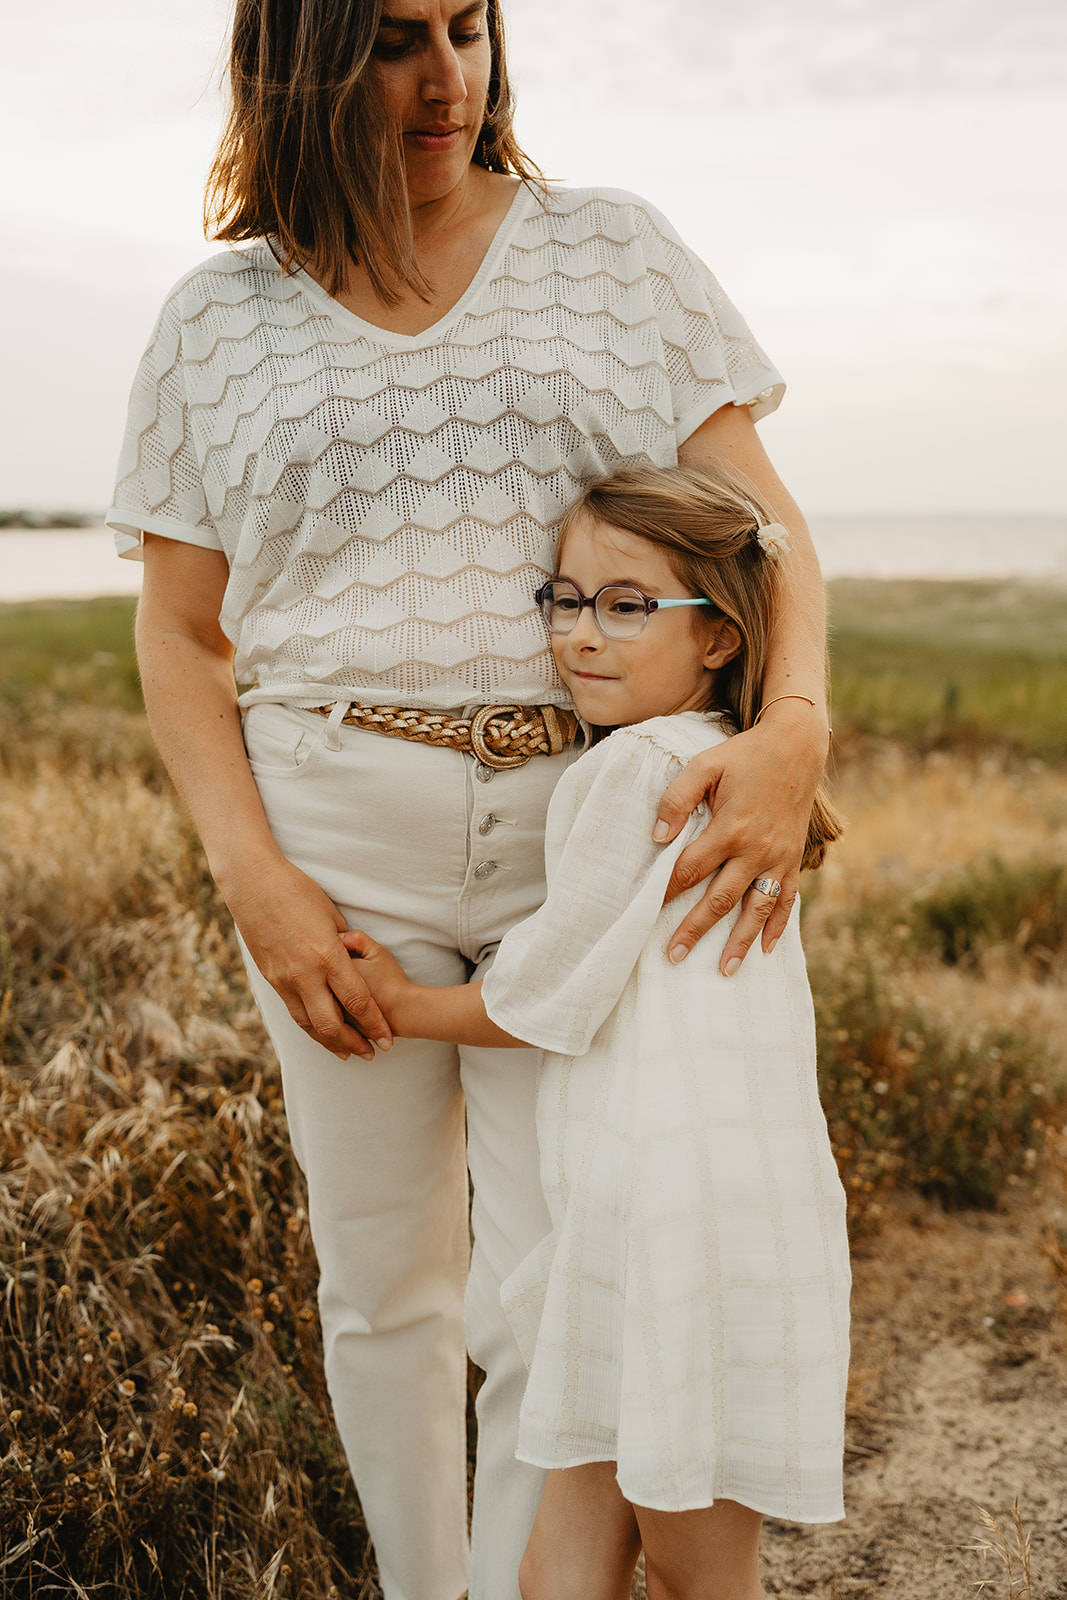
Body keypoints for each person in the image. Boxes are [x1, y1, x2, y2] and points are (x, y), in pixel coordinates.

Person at [106, 1, 833, 1595]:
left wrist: (789, 725)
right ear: (296, 60)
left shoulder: (611, 254)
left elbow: (764, 538)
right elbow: (176, 630)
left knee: (555, 1278)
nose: (445, 80)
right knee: (383, 1287)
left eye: (466, 26)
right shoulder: (213, 319)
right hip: (323, 828)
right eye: (386, 39)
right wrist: (254, 878)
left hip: (580, 828)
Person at [345, 462, 851, 1600]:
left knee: (688, 1569)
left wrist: (400, 1001)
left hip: (667, 1204)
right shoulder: (731, 769)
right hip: (689, 1190)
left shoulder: (639, 771)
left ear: (719, 636)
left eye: (627, 606)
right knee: (563, 1553)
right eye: (564, 599)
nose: (581, 634)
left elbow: (545, 994)